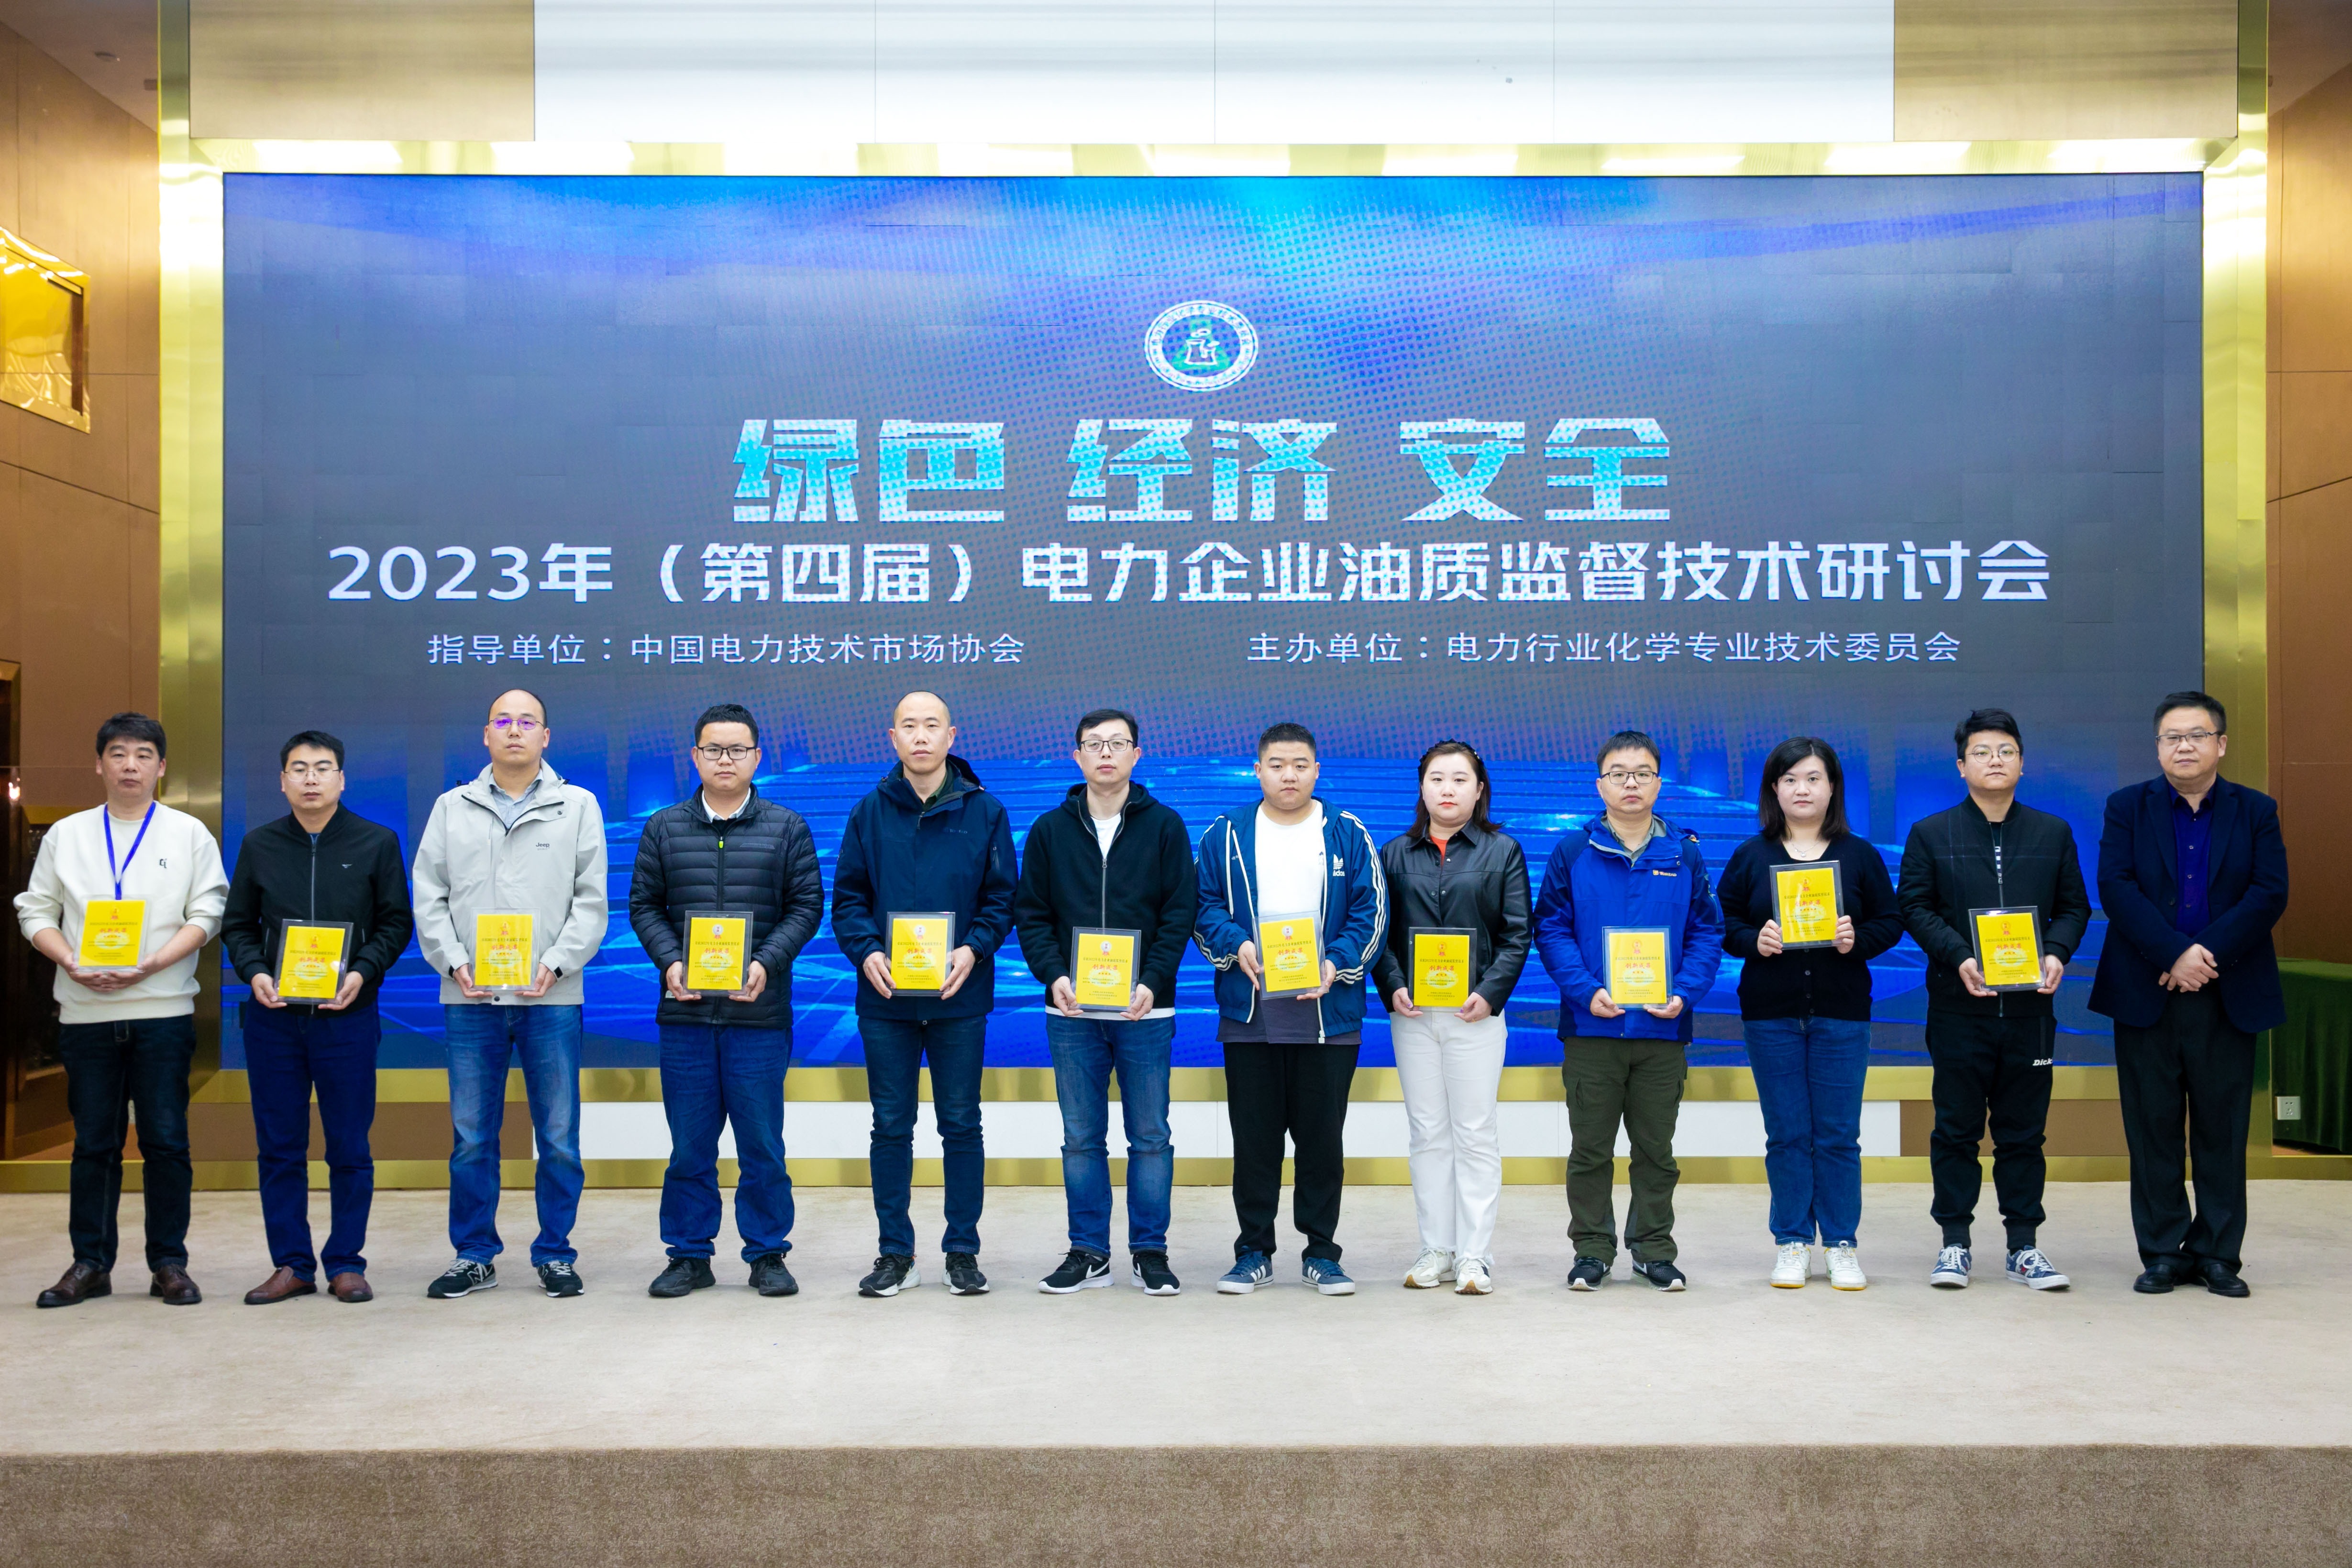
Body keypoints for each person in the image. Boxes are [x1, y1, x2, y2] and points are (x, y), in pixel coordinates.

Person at [17, 713, 229, 1309]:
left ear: (161, 767)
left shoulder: (188, 833)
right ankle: (90, 1262)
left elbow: (208, 912)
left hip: (162, 1010)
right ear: (99, 764)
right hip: (85, 1010)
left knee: (166, 1140)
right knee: (93, 1143)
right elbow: (36, 910)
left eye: (142, 754)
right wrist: (71, 961)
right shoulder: (68, 834)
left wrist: (152, 963)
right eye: (118, 753)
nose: (130, 765)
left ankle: (169, 1263)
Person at [410, 688, 609, 1300]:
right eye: (503, 720)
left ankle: (556, 1253)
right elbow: (429, 893)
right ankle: (475, 1254)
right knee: (473, 1137)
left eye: (527, 721)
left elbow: (592, 899)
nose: (514, 730)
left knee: (559, 1137)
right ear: (486, 734)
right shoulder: (452, 807)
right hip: (470, 996)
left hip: (552, 996)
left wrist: (555, 962)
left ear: (546, 736)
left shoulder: (577, 805)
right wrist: (454, 961)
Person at [2089, 692, 2287, 1298]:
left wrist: (2204, 956)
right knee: (2152, 1128)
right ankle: (2162, 1251)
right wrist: (2173, 952)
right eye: (2172, 737)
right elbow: (2116, 886)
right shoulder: (2127, 806)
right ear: (2158, 748)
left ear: (2220, 744)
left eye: (2197, 735)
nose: (2184, 746)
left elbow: (2269, 892)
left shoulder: (2257, 810)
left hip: (2229, 991)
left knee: (2222, 1130)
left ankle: (2219, 1253)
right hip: (2146, 990)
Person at [628, 703, 823, 1301]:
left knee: (762, 1145)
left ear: (757, 757)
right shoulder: (664, 827)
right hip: (686, 1014)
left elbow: (806, 906)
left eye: (737, 749)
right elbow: (644, 905)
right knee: (690, 1147)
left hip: (758, 1016)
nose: (725, 760)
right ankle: (689, 1255)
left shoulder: (787, 827)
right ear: (695, 756)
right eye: (713, 749)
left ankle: (768, 1253)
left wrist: (765, 962)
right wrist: (671, 961)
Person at [1897, 707, 2091, 1292]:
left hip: (2031, 1011)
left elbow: (2074, 907)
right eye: (1981, 752)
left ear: (2022, 763)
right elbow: (1915, 906)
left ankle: (2023, 1246)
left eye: (2006, 750)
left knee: (2023, 1133)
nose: (1995, 760)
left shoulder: (2052, 832)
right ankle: (1954, 1242)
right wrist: (1959, 955)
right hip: (1958, 1008)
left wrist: (2056, 951)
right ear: (1961, 766)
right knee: (1956, 1129)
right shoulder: (1931, 832)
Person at [831, 691, 1017, 1299]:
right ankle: (896, 1253)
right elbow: (848, 899)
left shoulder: (984, 810)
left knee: (961, 1123)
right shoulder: (869, 811)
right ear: (893, 738)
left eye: (931, 725)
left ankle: (962, 1250)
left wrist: (974, 949)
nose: (920, 736)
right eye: (908, 726)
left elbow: (1002, 898)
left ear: (951, 736)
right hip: (886, 999)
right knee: (891, 1125)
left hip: (959, 995)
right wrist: (868, 951)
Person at [219, 730, 413, 1306]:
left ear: (341, 779)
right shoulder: (260, 844)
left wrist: (362, 972)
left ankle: (347, 1262)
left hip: (347, 1016)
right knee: (280, 1147)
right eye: (299, 768)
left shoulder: (376, 842)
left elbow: (395, 922)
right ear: (282, 780)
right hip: (274, 1018)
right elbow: (238, 925)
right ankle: (292, 1263)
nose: (310, 778)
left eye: (322, 767)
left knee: (349, 1145)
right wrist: (255, 971)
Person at [1193, 721, 1386, 1297]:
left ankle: (1322, 1252)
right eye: (1277, 765)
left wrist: (1337, 962)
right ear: (1258, 770)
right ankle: (1253, 1251)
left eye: (1300, 764)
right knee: (1255, 1143)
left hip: (1329, 1018)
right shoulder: (1226, 833)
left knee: (1322, 1143)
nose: (1289, 775)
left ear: (1316, 770)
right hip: (1251, 1014)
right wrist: (1236, 944)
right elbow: (1202, 906)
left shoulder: (1348, 831)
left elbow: (1372, 911)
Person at [1014, 707, 1198, 1297]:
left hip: (1147, 1009)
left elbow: (1179, 913)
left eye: (1118, 743)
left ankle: (1150, 1251)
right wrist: (1052, 975)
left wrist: (1153, 979)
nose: (1106, 753)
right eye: (1094, 744)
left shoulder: (1165, 826)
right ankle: (1089, 1251)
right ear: (1077, 756)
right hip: (1071, 1012)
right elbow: (1031, 914)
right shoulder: (1050, 829)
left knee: (1150, 1136)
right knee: (1081, 1137)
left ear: (1136, 754)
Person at [1533, 730, 1723, 1293]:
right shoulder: (1573, 850)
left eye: (1642, 773)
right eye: (1619, 773)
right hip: (1592, 1024)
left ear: (1659, 783)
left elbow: (1706, 931)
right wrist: (1584, 989)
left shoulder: (1684, 852)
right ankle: (1592, 1250)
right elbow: (1552, 928)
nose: (1631, 782)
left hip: (1663, 1028)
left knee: (1656, 1151)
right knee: (1590, 1151)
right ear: (1601, 785)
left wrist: (1684, 992)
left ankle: (1653, 1249)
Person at [1716, 737, 1902, 1292]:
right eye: (1791, 779)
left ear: (1832, 787)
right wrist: (1755, 939)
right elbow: (1723, 922)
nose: (1803, 789)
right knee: (1787, 1134)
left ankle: (1842, 1243)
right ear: (1774, 788)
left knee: (1839, 1134)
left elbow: (1891, 921)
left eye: (1814, 778)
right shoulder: (1752, 855)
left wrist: (1855, 938)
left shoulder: (1859, 854)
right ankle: (1792, 1241)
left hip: (1842, 1013)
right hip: (1770, 1014)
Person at [1374, 740, 1530, 1296]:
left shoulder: (1503, 851)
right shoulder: (1394, 853)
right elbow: (1380, 932)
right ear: (1422, 788)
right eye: (1437, 778)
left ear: (1479, 788)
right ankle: (1436, 1248)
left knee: (1475, 1132)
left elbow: (1518, 933)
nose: (1448, 789)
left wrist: (1490, 993)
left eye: (1460, 779)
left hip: (1475, 1017)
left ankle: (1474, 1255)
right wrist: (1393, 984)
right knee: (1427, 1133)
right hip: (1414, 1015)